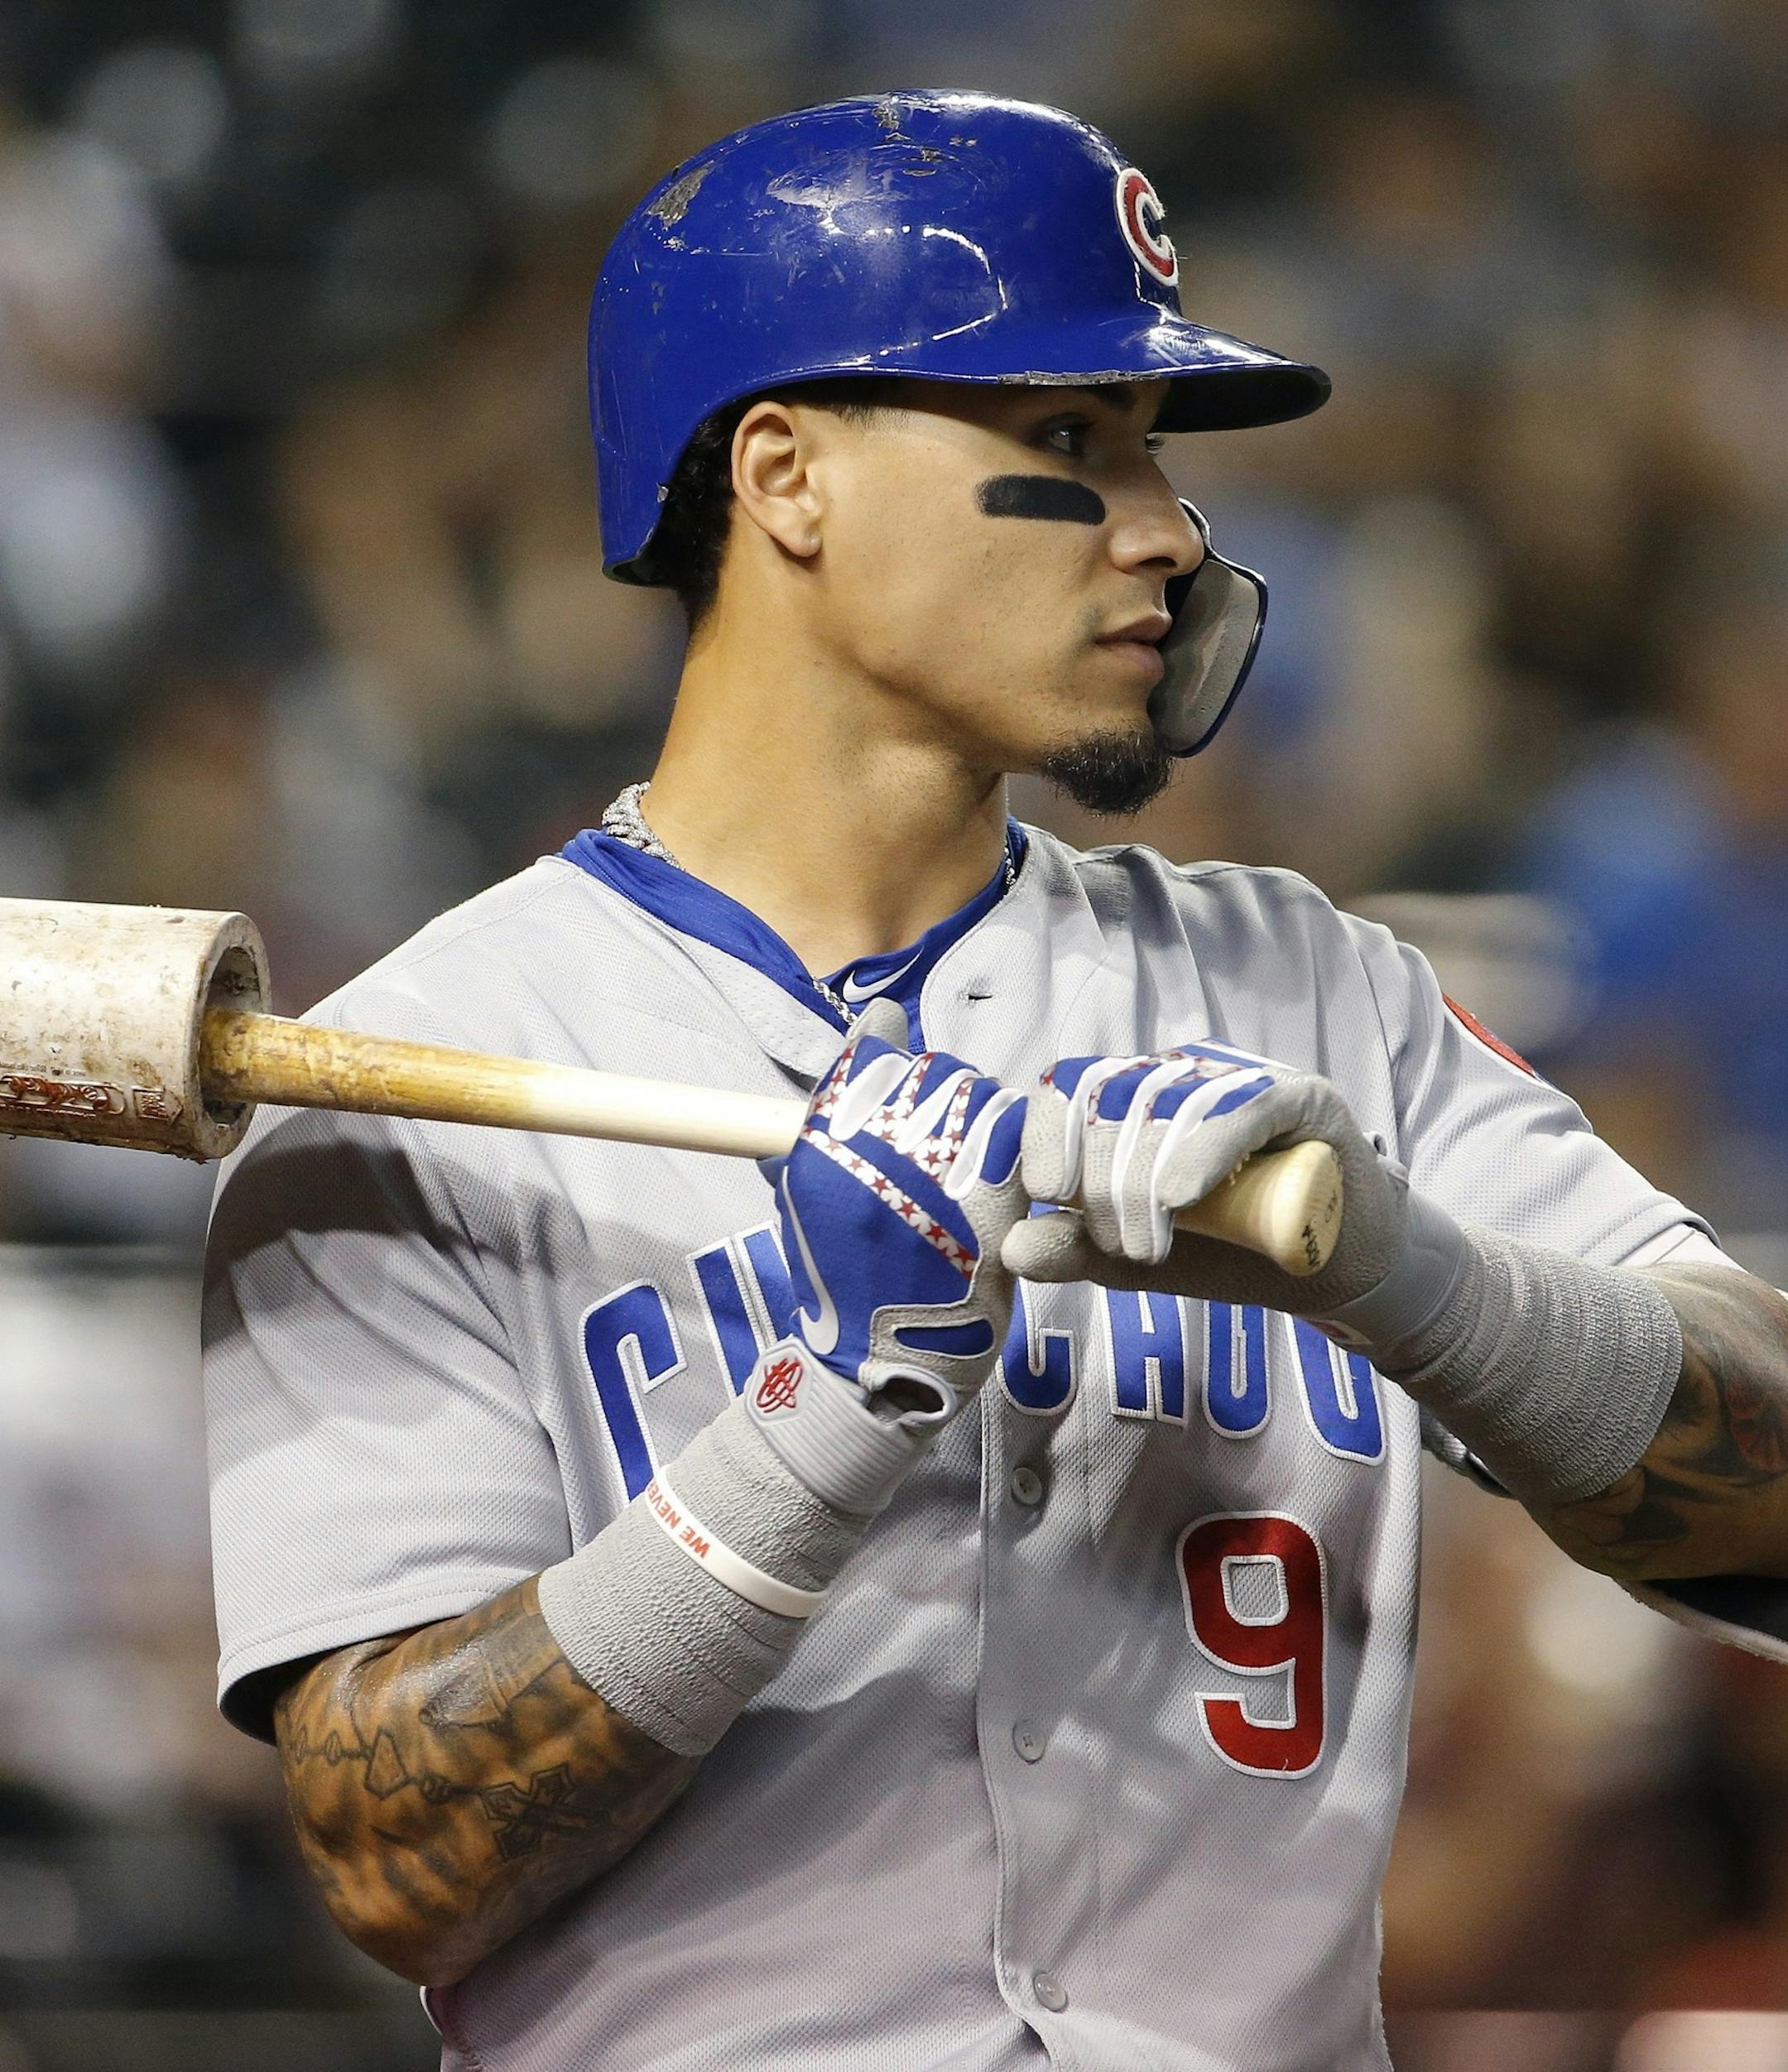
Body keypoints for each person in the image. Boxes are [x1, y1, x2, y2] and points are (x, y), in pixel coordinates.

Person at [203, 92, 1788, 2072]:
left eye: (1153, 448)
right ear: (787, 478)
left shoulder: (1316, 996)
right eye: (1069, 441)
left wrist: (1412, 1273)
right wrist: (817, 1425)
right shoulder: (418, 1072)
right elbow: (390, 1857)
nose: (1169, 528)